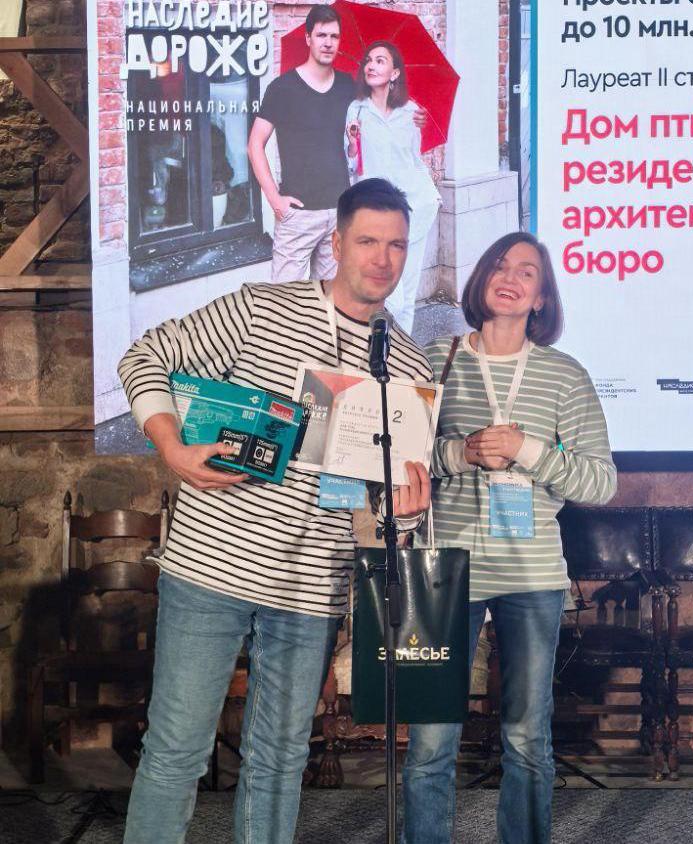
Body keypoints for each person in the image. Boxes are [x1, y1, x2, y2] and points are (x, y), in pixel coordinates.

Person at [118, 178, 434, 844]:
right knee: (176, 751)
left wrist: (405, 514)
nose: (382, 258)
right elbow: (145, 355)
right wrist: (171, 447)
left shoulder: (406, 367)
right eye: (368, 241)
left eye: (397, 245)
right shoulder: (261, 308)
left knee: (281, 761)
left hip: (311, 590)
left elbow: (378, 512)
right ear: (336, 243)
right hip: (210, 570)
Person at [401, 232, 618, 844]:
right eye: (499, 265)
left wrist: (529, 450)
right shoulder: (432, 361)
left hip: (531, 574)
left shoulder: (564, 375)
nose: (511, 277)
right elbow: (397, 457)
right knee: (430, 740)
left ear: (542, 296)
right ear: (481, 281)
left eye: (527, 271)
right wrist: (462, 453)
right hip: (442, 569)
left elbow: (601, 481)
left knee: (526, 736)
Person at [248, 6, 353, 284]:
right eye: (321, 35)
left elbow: (356, 145)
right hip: (298, 215)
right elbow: (255, 144)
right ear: (308, 38)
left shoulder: (348, 87)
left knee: (330, 298)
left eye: (334, 36)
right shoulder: (283, 88)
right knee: (285, 301)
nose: (328, 43)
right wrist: (275, 199)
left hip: (339, 212)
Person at [345, 40, 441, 336]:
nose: (371, 66)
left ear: (395, 73)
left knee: (407, 292)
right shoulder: (357, 110)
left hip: (415, 206)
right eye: (368, 61)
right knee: (390, 293)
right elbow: (352, 164)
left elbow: (413, 159)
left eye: (380, 61)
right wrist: (352, 143)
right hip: (376, 211)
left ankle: (403, 353)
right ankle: (383, 347)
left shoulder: (411, 112)